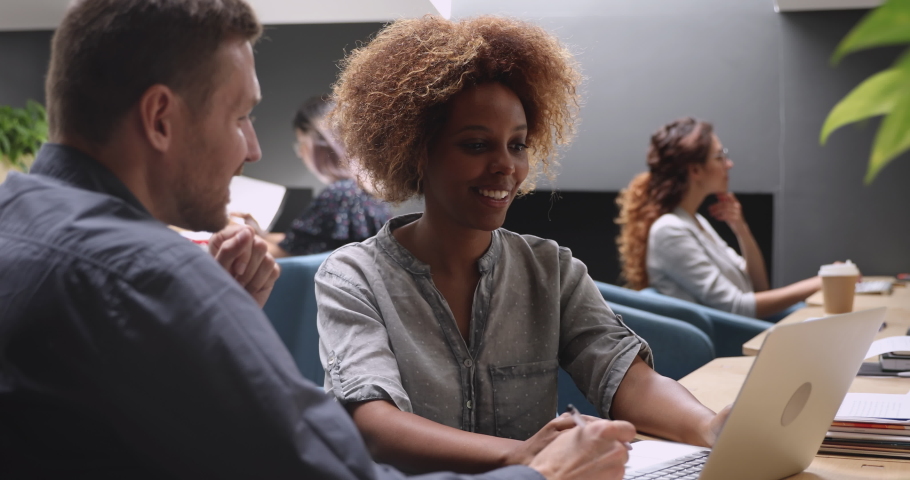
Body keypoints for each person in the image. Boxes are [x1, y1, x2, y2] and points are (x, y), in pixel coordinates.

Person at [0, 1, 633, 479]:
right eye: (241, 116)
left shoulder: (16, 219)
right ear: (160, 118)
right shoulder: (155, 280)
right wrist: (539, 473)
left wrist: (211, 326)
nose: (252, 149)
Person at [316, 16, 730, 476]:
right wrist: (520, 455)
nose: (506, 166)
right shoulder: (353, 277)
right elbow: (372, 424)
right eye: (476, 145)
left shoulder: (549, 269)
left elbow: (625, 376)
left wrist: (711, 427)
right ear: (416, 151)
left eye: (517, 145)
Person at [616, 117, 822, 320]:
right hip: (733, 339)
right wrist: (816, 284)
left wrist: (741, 229)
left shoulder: (696, 221)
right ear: (695, 170)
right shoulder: (670, 230)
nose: (729, 164)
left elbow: (758, 287)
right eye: (720, 156)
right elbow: (737, 307)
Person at [234, 96, 391, 257]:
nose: (300, 154)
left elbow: (288, 255)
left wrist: (231, 229)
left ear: (321, 142)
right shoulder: (362, 193)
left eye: (301, 142)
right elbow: (304, 243)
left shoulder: (340, 195)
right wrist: (262, 235)